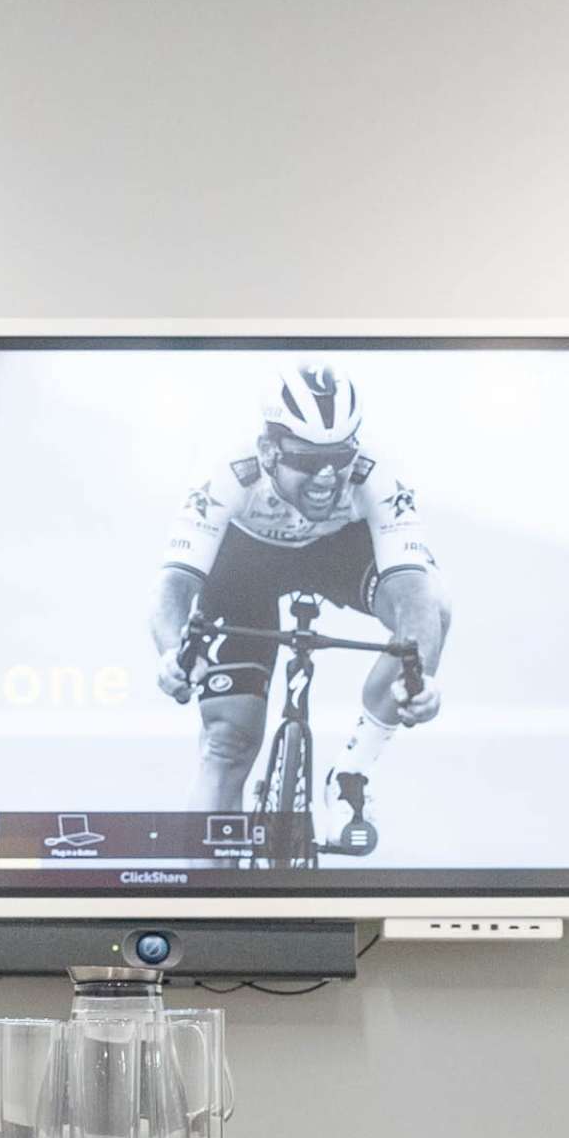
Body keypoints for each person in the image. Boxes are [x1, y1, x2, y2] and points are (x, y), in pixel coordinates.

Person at [149, 365, 451, 854]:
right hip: (246, 564)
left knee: (435, 607)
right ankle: (203, 901)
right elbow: (174, 585)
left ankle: (351, 775)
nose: (328, 475)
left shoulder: (377, 474)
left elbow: (414, 592)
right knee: (228, 741)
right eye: (309, 459)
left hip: (339, 553)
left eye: (340, 456)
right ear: (268, 451)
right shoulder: (227, 473)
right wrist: (171, 652)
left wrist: (420, 680)